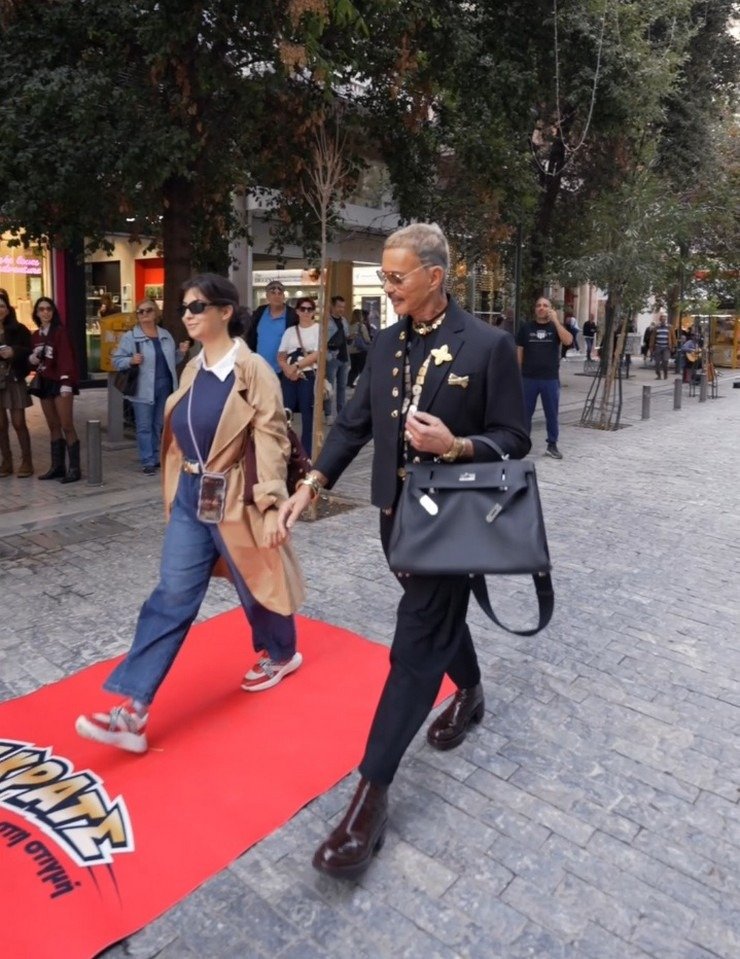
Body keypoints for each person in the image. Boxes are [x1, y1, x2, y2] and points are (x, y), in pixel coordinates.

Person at [277, 223, 530, 879]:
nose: (385, 289)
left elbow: (513, 438)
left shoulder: (488, 346)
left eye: (395, 278)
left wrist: (456, 445)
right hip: (396, 525)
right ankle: (470, 691)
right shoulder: (387, 342)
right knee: (438, 618)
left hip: (453, 525)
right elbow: (355, 423)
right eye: (384, 277)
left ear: (434, 276)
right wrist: (310, 485)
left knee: (414, 644)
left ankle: (369, 799)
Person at [76, 273, 305, 754]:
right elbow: (181, 434)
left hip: (237, 495)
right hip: (192, 495)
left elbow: (271, 439)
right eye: (184, 308)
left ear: (226, 311)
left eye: (197, 307)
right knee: (170, 595)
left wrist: (268, 503)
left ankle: (282, 651)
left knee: (255, 579)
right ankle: (132, 711)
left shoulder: (254, 370)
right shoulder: (192, 366)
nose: (187, 315)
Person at [112, 299, 189, 474]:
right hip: (142, 387)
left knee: (158, 424)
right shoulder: (130, 337)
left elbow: (172, 361)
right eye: (140, 312)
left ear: (156, 313)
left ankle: (156, 456)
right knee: (144, 425)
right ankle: (147, 460)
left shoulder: (165, 335)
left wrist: (181, 353)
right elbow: (116, 360)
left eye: (148, 311)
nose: (144, 314)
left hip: (165, 387)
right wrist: (130, 360)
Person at [29, 296, 82, 483]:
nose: (45, 312)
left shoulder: (60, 332)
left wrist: (67, 381)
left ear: (53, 312)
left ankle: (75, 468)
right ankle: (57, 466)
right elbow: (34, 361)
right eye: (41, 309)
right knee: (53, 425)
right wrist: (32, 359)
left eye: (48, 309)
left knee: (66, 424)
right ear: (36, 313)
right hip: (44, 382)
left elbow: (67, 357)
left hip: (61, 381)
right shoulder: (35, 335)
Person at [515, 297, 572, 460]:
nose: (541, 308)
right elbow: (519, 354)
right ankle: (523, 444)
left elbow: (568, 340)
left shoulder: (556, 328)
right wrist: (517, 376)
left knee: (552, 414)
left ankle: (552, 445)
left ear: (550, 309)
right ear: (535, 309)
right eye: (538, 305)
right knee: (525, 414)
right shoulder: (526, 328)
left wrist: (555, 320)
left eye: (545, 305)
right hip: (528, 379)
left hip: (550, 379)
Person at [277, 295, 320, 457]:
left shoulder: (318, 329)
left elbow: (317, 354)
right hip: (290, 375)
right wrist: (287, 369)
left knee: (307, 414)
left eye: (310, 309)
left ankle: (306, 452)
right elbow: (281, 354)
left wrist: (296, 367)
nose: (306, 312)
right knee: (286, 412)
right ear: (297, 311)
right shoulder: (290, 331)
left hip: (307, 374)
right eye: (303, 309)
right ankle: (286, 447)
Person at [0, 292, 34, 478]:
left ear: (8, 308)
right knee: (0, 424)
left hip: (13, 378)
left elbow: (29, 350)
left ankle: (26, 461)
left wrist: (14, 351)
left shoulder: (19, 329)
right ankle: (6, 462)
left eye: (2, 306)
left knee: (19, 422)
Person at [244, 279, 298, 375]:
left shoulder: (292, 315)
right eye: (273, 293)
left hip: (283, 370)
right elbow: (251, 336)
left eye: (279, 293)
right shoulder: (259, 313)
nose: (276, 296)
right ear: (267, 296)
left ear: (284, 296)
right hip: (260, 369)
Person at [325, 295, 350, 416]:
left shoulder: (344, 320)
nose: (341, 309)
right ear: (332, 306)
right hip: (332, 358)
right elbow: (322, 341)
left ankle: (341, 413)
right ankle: (328, 414)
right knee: (329, 387)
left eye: (343, 307)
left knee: (342, 387)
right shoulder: (326, 321)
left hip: (344, 358)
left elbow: (346, 336)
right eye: (339, 306)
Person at [347, 307, 376, 387]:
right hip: (360, 350)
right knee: (363, 369)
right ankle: (364, 385)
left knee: (354, 368)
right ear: (360, 316)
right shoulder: (361, 326)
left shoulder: (350, 326)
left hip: (351, 350)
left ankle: (349, 382)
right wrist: (371, 343)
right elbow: (366, 338)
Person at [649, 314, 675, 380]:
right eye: (662, 319)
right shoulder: (656, 327)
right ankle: (658, 375)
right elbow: (652, 338)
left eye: (664, 319)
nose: (663, 320)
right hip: (658, 347)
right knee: (657, 362)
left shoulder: (670, 327)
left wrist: (673, 346)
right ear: (660, 320)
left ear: (665, 320)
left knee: (665, 361)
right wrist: (651, 347)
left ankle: (665, 374)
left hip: (666, 347)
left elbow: (673, 337)